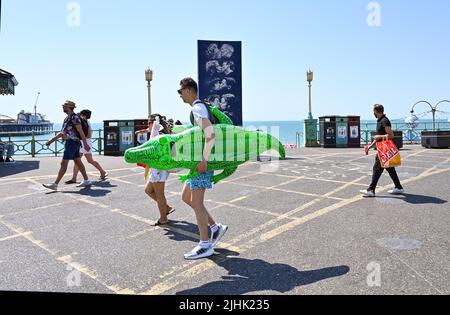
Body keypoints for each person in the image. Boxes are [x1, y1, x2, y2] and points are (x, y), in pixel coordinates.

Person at [178, 77, 228, 260]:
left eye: (180, 91)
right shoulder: (201, 107)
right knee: (186, 197)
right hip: (198, 161)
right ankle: (216, 228)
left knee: (197, 202)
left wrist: (204, 160)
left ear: (189, 90)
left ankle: (205, 245)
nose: (180, 95)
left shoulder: (197, 108)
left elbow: (210, 132)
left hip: (202, 162)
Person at [42, 101, 92, 190]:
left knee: (64, 162)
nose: (63, 107)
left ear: (68, 107)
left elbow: (80, 131)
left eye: (64, 106)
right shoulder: (66, 118)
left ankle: (55, 184)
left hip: (72, 143)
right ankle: (86, 180)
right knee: (77, 161)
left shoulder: (74, 117)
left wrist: (85, 144)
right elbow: (63, 133)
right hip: (71, 143)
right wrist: (51, 141)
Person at [136, 114, 175, 226]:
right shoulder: (160, 132)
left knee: (159, 194)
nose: (147, 125)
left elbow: (157, 152)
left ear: (154, 123)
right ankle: (166, 207)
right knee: (148, 190)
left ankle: (163, 218)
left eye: (148, 122)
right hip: (158, 167)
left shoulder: (158, 135)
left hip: (159, 168)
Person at [360, 104, 405, 197]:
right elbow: (378, 138)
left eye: (373, 111)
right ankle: (399, 187)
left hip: (384, 150)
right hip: (382, 149)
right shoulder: (380, 121)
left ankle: (371, 190)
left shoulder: (385, 121)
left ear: (376, 111)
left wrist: (379, 136)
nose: (373, 113)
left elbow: (391, 135)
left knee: (377, 168)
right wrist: (370, 146)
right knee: (390, 168)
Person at [66, 109, 108, 184]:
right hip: (85, 143)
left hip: (84, 143)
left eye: (80, 114)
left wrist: (83, 140)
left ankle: (74, 178)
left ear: (84, 115)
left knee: (79, 161)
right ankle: (102, 172)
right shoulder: (84, 122)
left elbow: (89, 134)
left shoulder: (85, 122)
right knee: (87, 160)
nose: (79, 115)